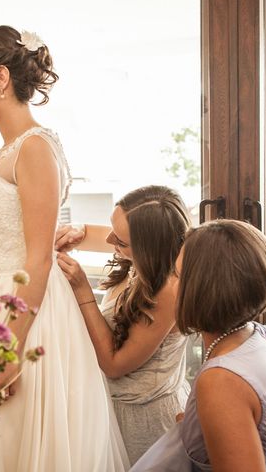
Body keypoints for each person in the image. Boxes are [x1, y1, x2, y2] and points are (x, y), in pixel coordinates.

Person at [0, 26, 128, 472]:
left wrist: (10, 350)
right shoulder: (9, 151)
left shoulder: (34, 150)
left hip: (28, 314)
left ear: (2, 77)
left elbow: (38, 259)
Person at [131, 219, 266, 471]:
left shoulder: (221, 380)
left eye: (177, 274)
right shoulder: (265, 336)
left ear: (202, 291)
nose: (170, 284)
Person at [55, 185, 192, 464]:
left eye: (119, 241)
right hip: (113, 407)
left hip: (144, 421)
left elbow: (115, 364)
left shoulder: (168, 290)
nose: (108, 239)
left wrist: (84, 292)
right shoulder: (144, 255)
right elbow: (95, 236)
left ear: (147, 248)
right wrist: (77, 230)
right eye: (111, 227)